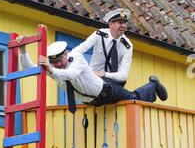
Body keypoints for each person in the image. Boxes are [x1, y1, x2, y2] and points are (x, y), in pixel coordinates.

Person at [18, 39, 168, 114]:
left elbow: (70, 74)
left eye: (59, 60)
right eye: (54, 63)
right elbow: (29, 69)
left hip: (106, 91)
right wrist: (23, 50)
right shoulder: (55, 70)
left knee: (133, 99)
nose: (58, 65)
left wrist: (50, 69)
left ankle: (153, 85)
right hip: (94, 102)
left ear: (66, 54)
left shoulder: (76, 58)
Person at [72, 8, 133, 86]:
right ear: (111, 24)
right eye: (120, 23)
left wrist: (104, 74)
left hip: (114, 83)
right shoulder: (99, 35)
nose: (123, 26)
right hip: (93, 79)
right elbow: (79, 50)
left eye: (125, 23)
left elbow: (123, 75)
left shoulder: (127, 45)